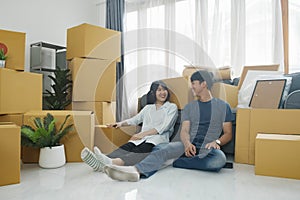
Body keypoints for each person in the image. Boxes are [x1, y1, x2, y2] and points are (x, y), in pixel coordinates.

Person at [103, 70, 233, 181]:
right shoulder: (190, 107)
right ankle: (136, 171)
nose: (191, 86)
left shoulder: (222, 106)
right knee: (160, 148)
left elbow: (227, 133)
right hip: (187, 144)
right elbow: (185, 130)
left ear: (203, 84)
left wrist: (217, 142)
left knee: (219, 159)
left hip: (208, 146)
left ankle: (176, 162)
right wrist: (187, 143)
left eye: (194, 83)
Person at [81, 80, 178, 172]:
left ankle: (112, 163)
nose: (163, 92)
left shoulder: (171, 107)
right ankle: (102, 160)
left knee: (139, 150)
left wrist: (142, 134)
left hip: (158, 139)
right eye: (159, 90)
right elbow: (135, 119)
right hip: (143, 137)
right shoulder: (148, 108)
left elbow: (164, 126)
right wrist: (119, 123)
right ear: (153, 93)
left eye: (164, 89)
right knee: (127, 146)